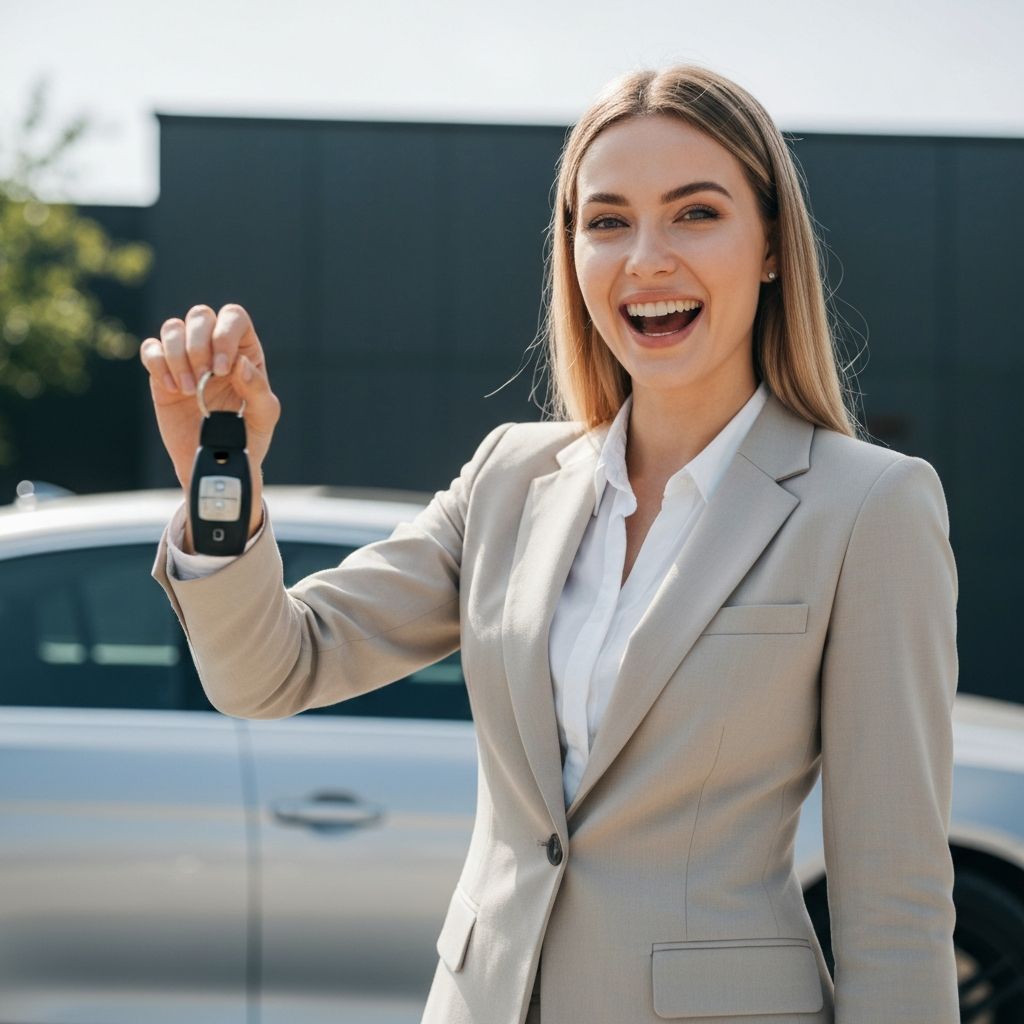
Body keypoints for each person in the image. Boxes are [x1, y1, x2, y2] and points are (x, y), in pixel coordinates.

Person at [142, 64, 959, 1024]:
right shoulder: (510, 479)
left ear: (773, 246)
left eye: (695, 213)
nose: (646, 257)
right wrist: (217, 484)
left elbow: (893, 904)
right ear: (570, 252)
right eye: (607, 221)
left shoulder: (868, 506)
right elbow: (271, 672)